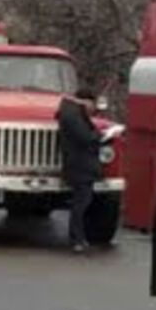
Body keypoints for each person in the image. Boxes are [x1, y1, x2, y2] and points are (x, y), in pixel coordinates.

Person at [57, 87, 103, 252]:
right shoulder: (73, 115)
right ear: (86, 101)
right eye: (93, 104)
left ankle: (79, 238)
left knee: (82, 203)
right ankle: (76, 238)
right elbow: (85, 137)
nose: (93, 108)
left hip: (80, 165)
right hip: (80, 166)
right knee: (81, 204)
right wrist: (100, 136)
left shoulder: (70, 112)